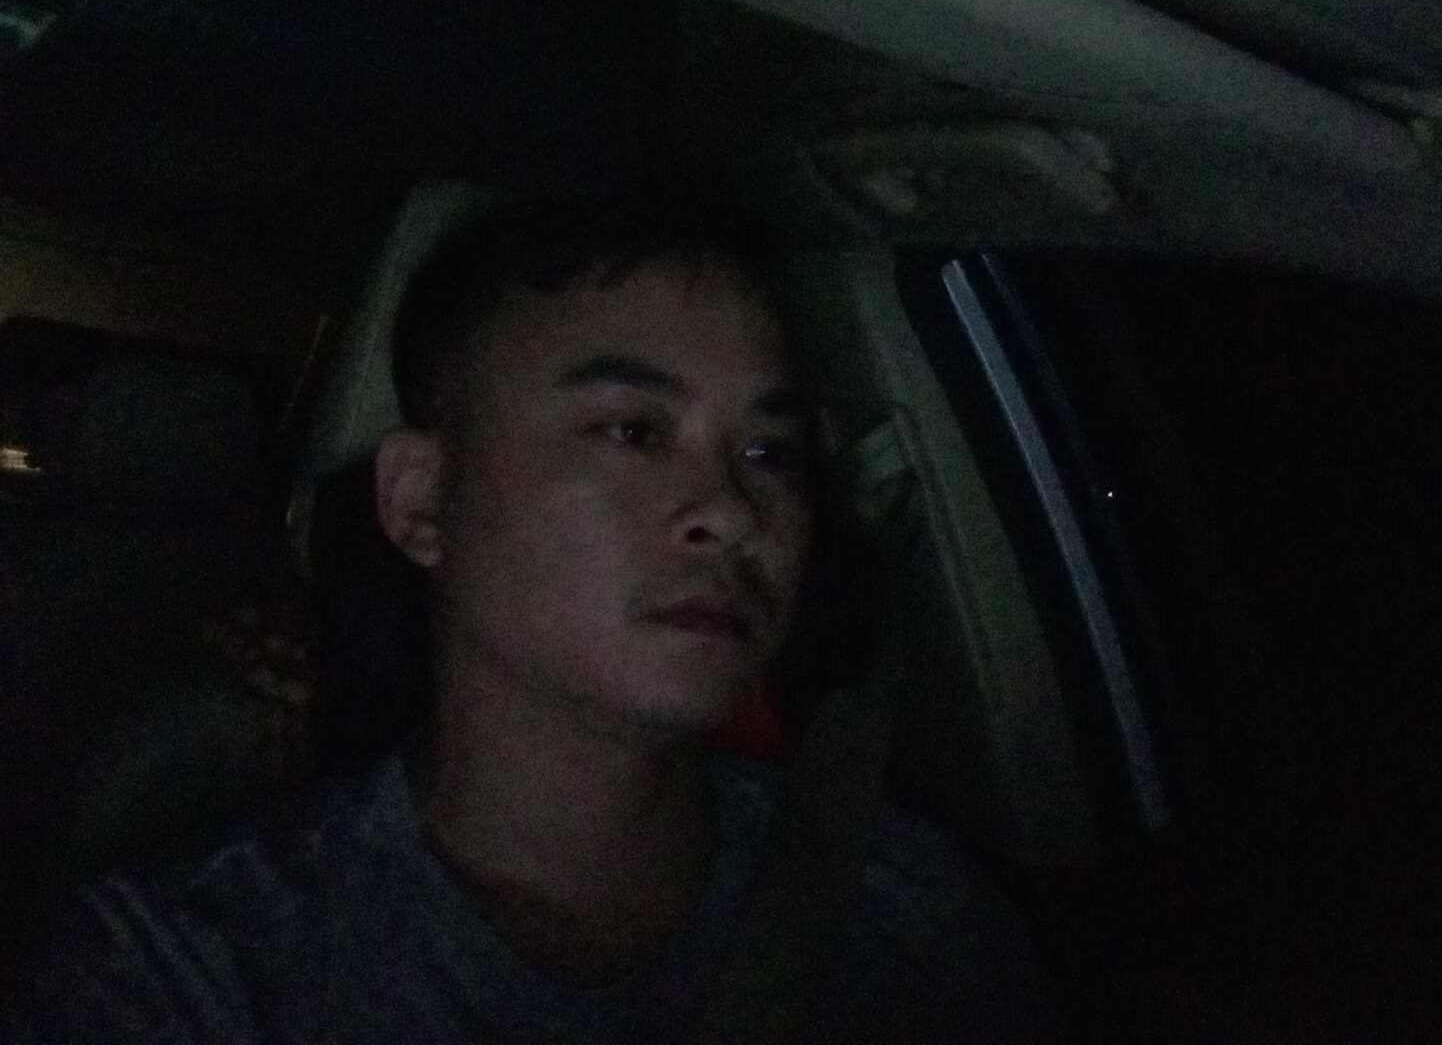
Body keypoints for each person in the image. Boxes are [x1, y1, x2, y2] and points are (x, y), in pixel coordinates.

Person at [3, 194, 1057, 1042]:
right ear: (423, 503)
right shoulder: (186, 975)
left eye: (768, 452)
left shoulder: (919, 921)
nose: (734, 512)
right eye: (631, 430)